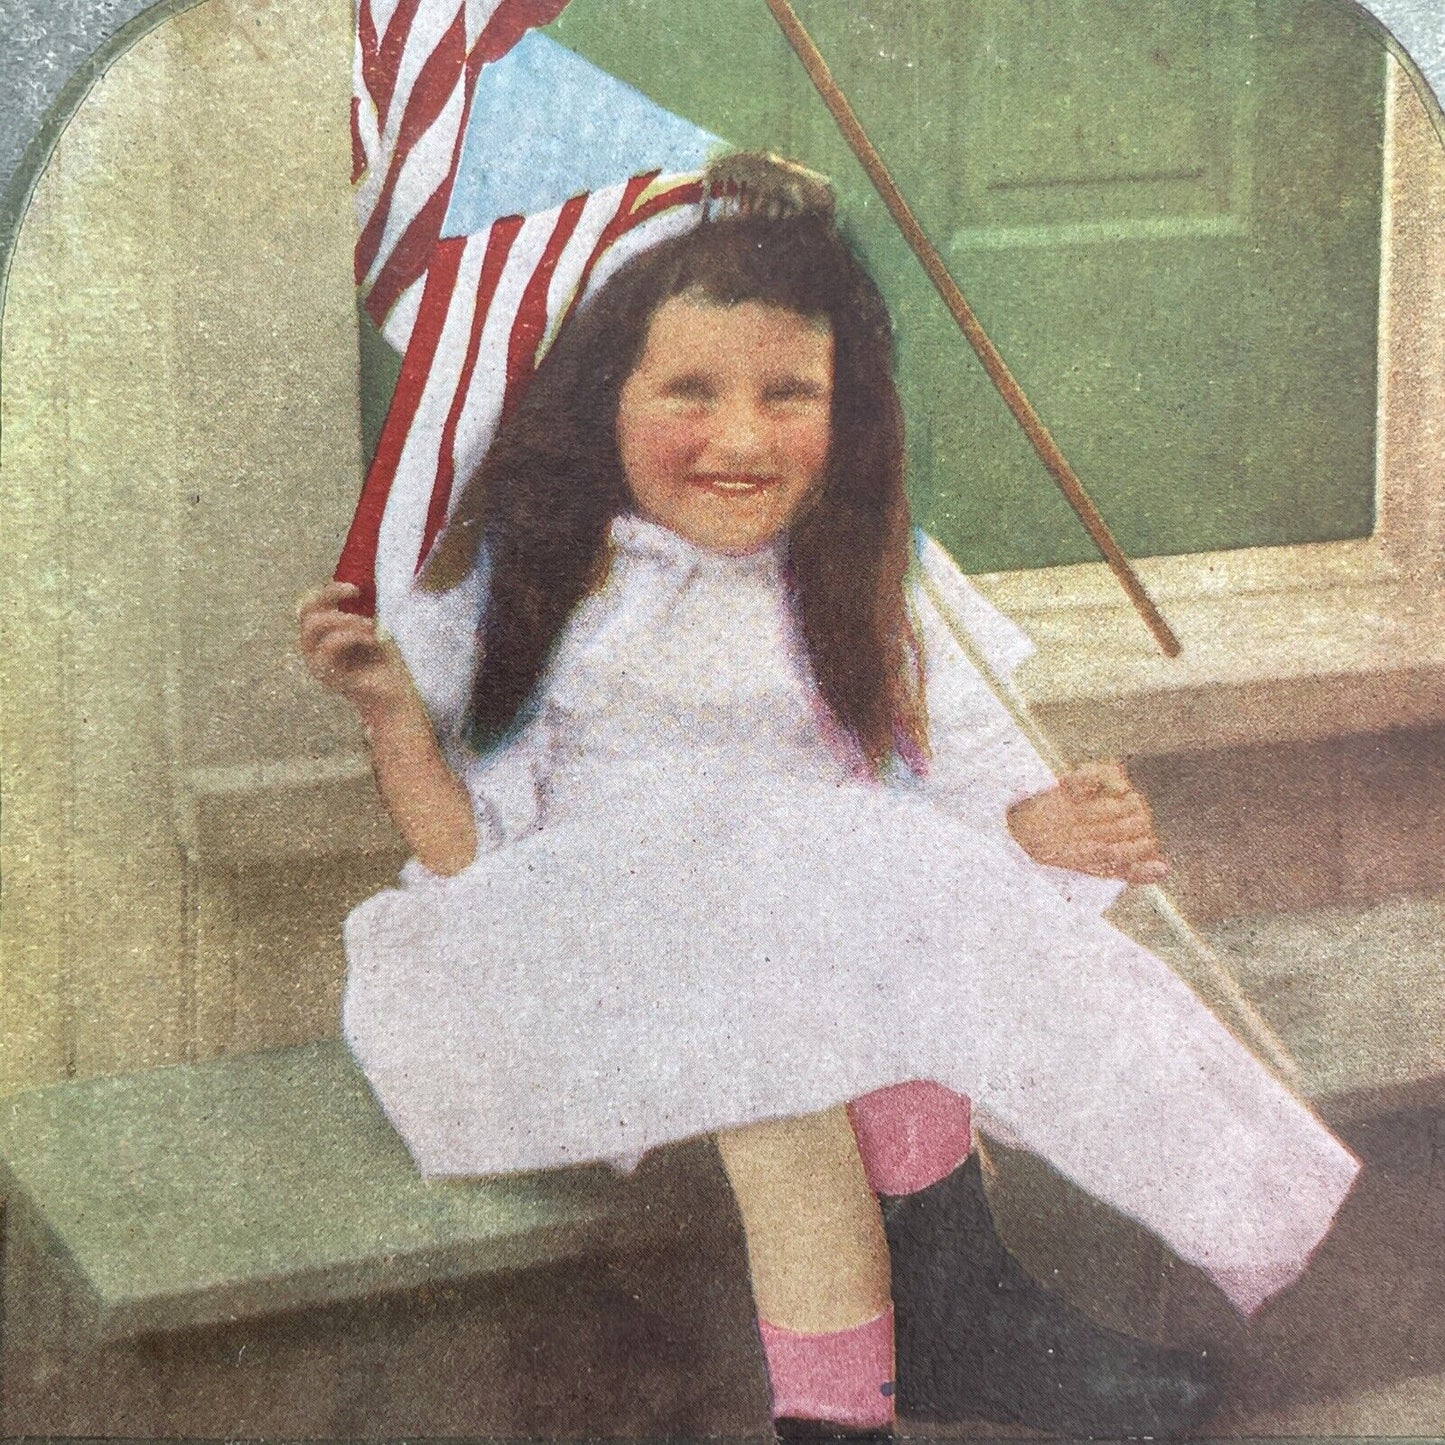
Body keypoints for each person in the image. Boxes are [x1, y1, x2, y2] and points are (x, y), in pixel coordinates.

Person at [297, 156, 1359, 1441]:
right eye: (688, 389)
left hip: (819, 924)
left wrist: (1039, 827)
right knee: (782, 1059)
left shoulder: (862, 581)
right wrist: (388, 716)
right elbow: (472, 853)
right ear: (604, 400)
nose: (740, 438)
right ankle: (836, 1412)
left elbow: (956, 781)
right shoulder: (551, 586)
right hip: (596, 945)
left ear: (842, 410)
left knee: (866, 904)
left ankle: (961, 1311)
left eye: (787, 392)